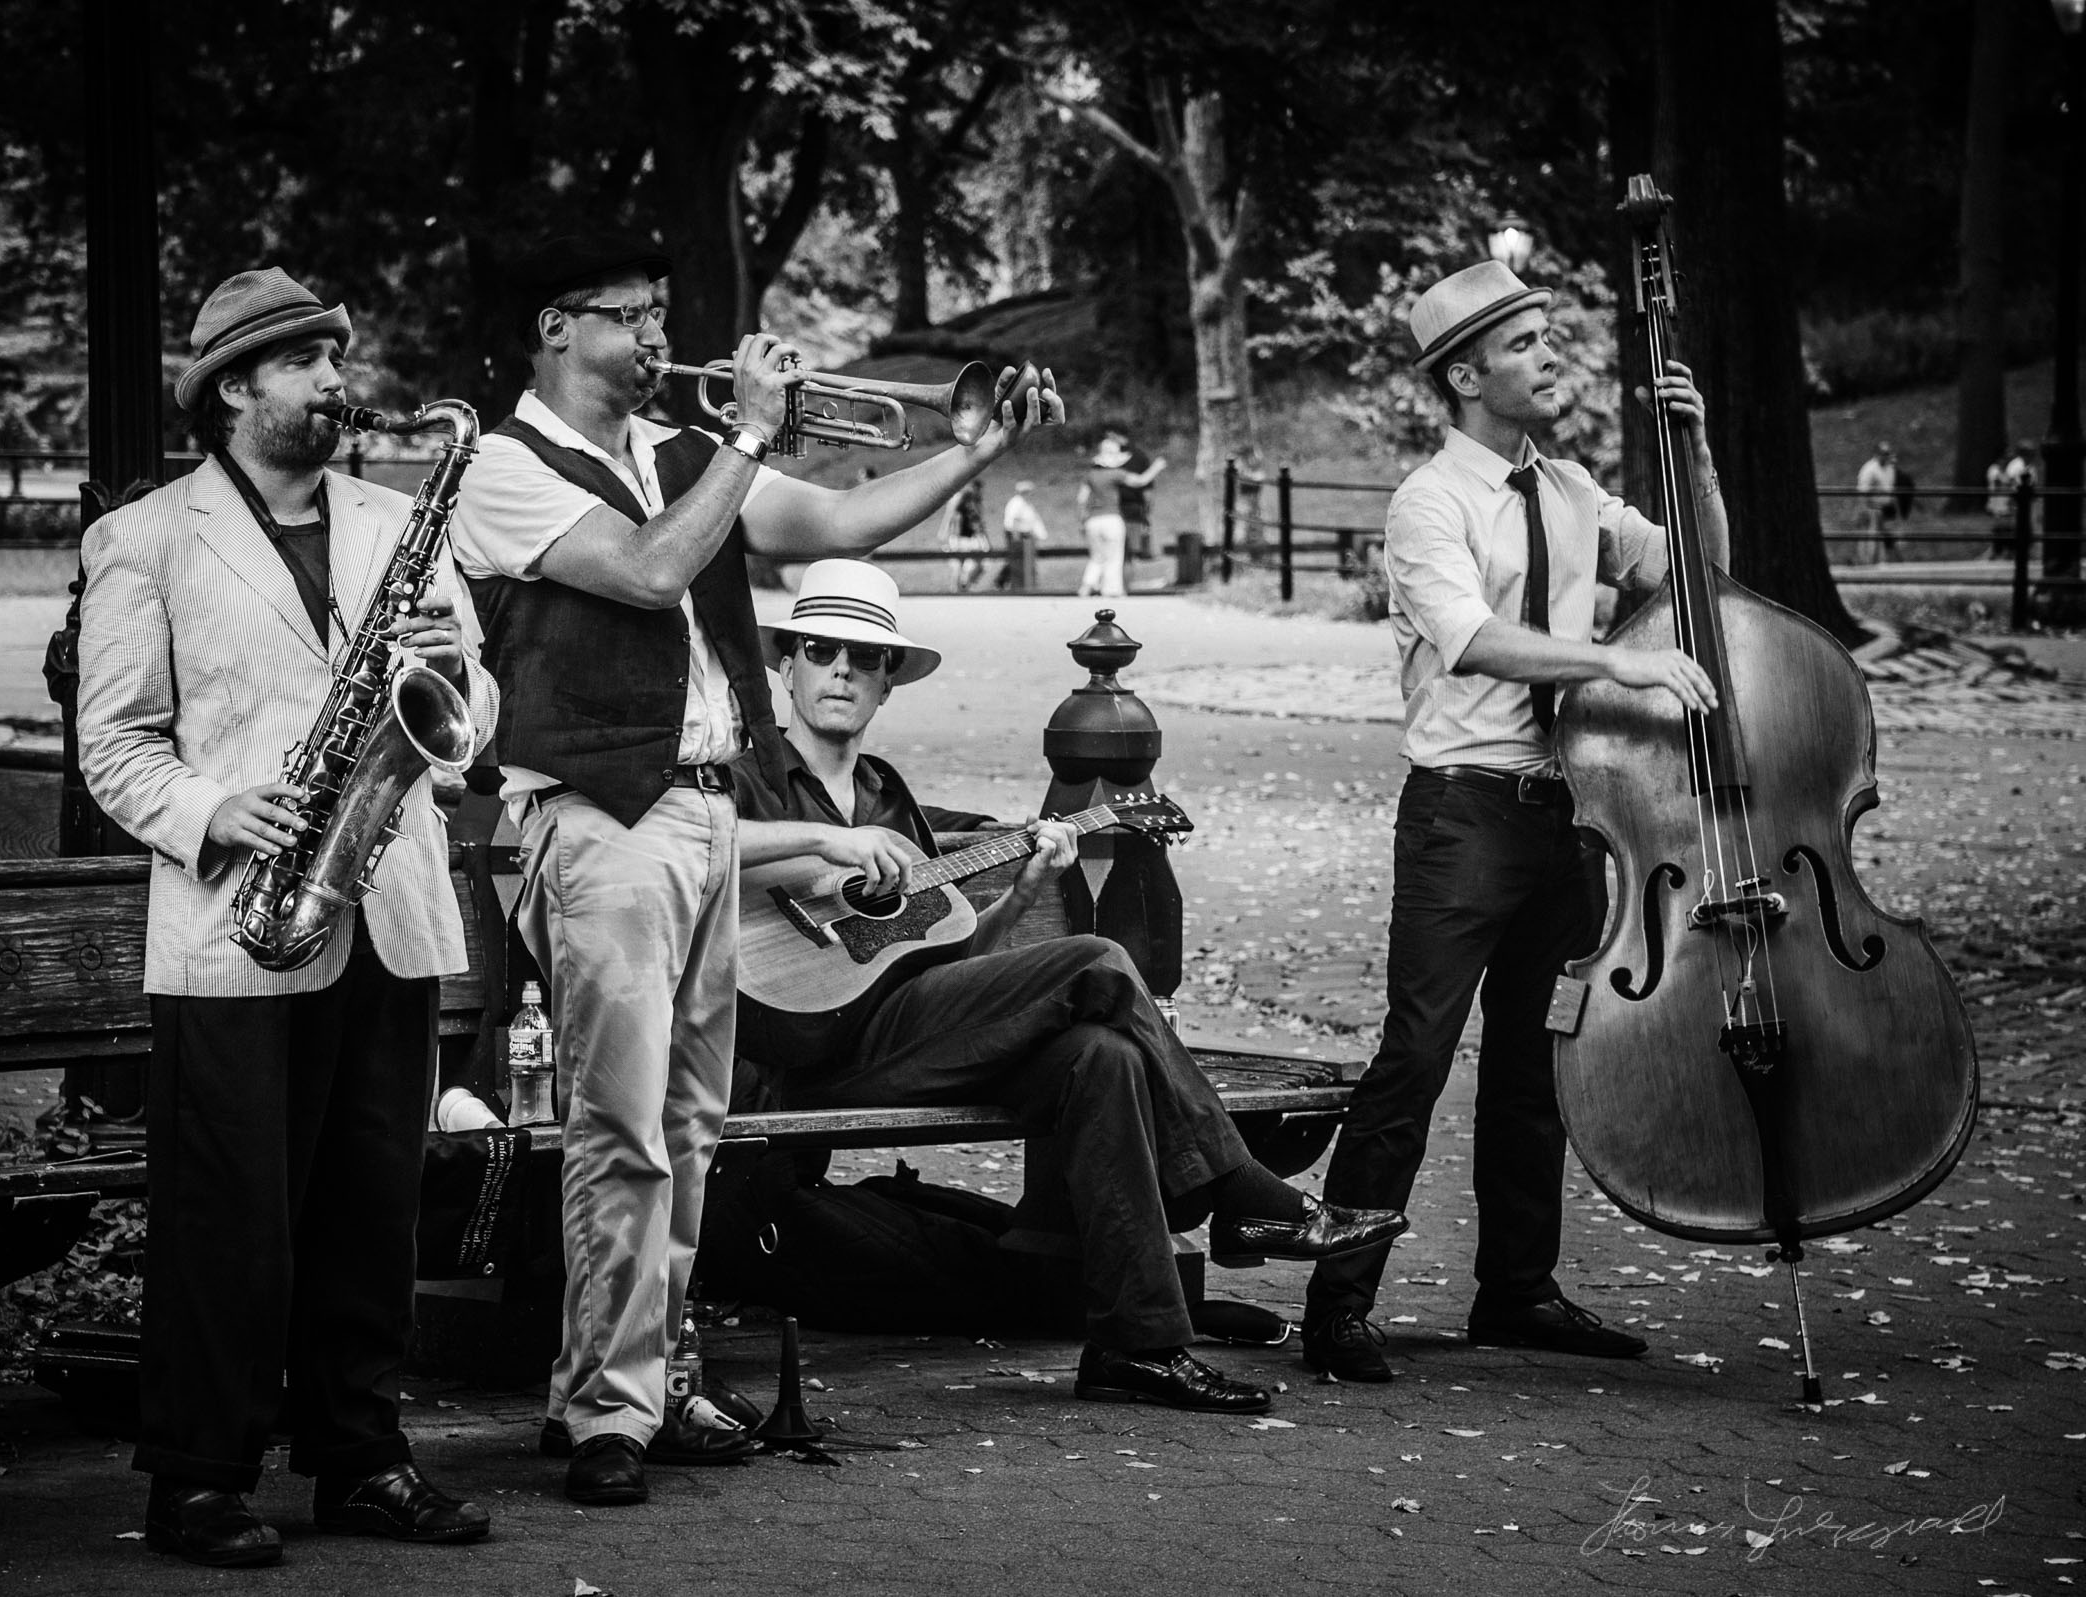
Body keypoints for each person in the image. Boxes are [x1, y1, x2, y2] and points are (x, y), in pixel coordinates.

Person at [449, 232, 1061, 1508]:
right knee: (618, 1128)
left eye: (662, 313)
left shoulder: (680, 455)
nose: (659, 338)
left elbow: (836, 522)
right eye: (629, 317)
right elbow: (646, 568)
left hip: (708, 815)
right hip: (601, 818)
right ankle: (611, 1408)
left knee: (688, 1129)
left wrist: (974, 452)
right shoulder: (500, 469)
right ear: (558, 328)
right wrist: (750, 436)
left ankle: (641, 1379)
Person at [726, 560, 1407, 1411]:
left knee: (1100, 1057)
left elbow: (943, 954)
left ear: (887, 681)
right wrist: (822, 848)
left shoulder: (884, 793)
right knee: (1095, 960)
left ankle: (1138, 1345)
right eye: (820, 650)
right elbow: (694, 857)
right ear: (787, 662)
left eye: (863, 657)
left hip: (907, 1033)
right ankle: (1243, 1194)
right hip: (801, 1048)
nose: (839, 670)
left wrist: (1015, 896)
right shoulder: (743, 777)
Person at [78, 267, 501, 1567]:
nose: (336, 379)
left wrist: (458, 675)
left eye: (337, 356)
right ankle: (198, 1478)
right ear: (236, 389)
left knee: (373, 1206)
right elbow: (114, 743)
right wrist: (215, 812)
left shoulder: (400, 522)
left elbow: (476, 720)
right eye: (308, 360)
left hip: (390, 906)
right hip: (237, 919)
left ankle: (361, 1459)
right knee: (230, 1219)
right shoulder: (143, 539)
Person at [1299, 259, 1730, 1385]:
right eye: (1529, 342)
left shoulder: (1578, 489)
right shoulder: (1429, 501)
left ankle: (1517, 1292)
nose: (1554, 355)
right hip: (1465, 814)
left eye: (1550, 335)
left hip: (1569, 820)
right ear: (1466, 373)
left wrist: (1697, 458)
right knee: (1416, 1060)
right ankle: (1337, 1302)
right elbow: (1472, 634)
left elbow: (1699, 572)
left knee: (1540, 1066)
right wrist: (1613, 662)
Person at [1078, 436, 1131, 596]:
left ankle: (1087, 586)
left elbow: (1081, 499)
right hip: (1112, 518)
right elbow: (1139, 481)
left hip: (1092, 520)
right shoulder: (1117, 474)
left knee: (1097, 557)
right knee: (1114, 556)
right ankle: (1111, 589)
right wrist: (1155, 469)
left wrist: (1082, 521)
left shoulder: (1090, 475)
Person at [1111, 427, 1167, 561]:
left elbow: (1144, 484)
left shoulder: (1133, 457)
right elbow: (1142, 482)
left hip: (1128, 508)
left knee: (1125, 551)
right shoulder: (1116, 459)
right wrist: (1156, 468)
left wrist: (1147, 507)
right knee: (1125, 552)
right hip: (1116, 509)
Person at [939, 479, 990, 592]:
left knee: (979, 565)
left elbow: (980, 523)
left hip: (971, 539)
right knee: (957, 567)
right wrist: (944, 534)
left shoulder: (976, 502)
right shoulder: (958, 499)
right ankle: (955, 592)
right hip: (957, 538)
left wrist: (985, 540)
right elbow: (949, 517)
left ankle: (967, 587)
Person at [998, 478, 1048, 591]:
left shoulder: (1025, 503)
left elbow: (1033, 521)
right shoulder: (1016, 503)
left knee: (1024, 564)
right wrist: (1016, 539)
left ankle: (1024, 586)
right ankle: (1017, 587)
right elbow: (1012, 521)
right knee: (1018, 564)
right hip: (1019, 537)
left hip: (1025, 537)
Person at [1857, 441, 1899, 561]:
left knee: (1888, 535)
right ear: (1876, 454)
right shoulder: (1869, 469)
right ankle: (1867, 561)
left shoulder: (1890, 468)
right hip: (1872, 507)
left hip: (1887, 506)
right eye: (1883, 454)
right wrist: (1863, 509)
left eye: (1887, 454)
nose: (1885, 456)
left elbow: (1891, 488)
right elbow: (1863, 491)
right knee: (1871, 536)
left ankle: (1886, 560)